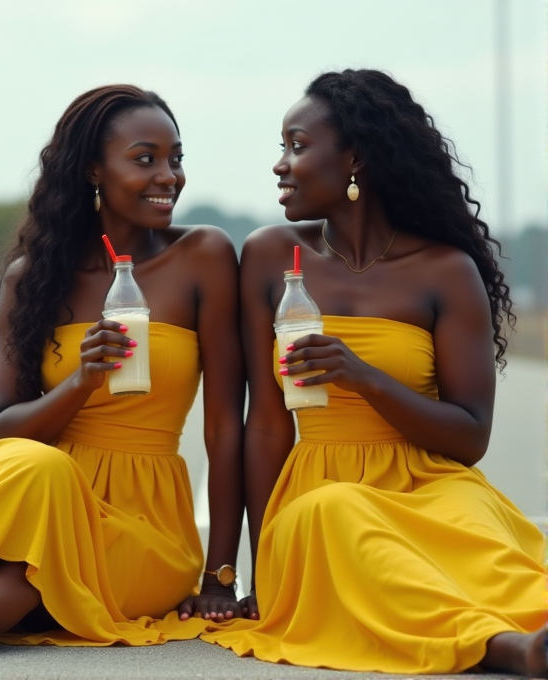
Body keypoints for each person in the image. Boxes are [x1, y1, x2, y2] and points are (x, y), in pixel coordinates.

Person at [0, 85, 245, 669]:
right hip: (42, 486)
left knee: (41, 562)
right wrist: (80, 384)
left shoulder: (204, 256)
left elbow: (224, 429)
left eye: (176, 158)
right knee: (34, 467)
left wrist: (220, 575)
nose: (168, 175)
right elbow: (4, 429)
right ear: (93, 169)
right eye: (145, 159)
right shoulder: (34, 276)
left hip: (146, 524)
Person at [203, 69, 547, 675]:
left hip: (431, 484)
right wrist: (263, 569)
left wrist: (366, 378)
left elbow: (469, 438)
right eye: (282, 147)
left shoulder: (445, 270)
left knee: (498, 560)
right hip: (319, 499)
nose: (281, 164)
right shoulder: (266, 255)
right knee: (341, 513)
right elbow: (265, 427)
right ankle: (505, 650)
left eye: (297, 146)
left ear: (355, 159)